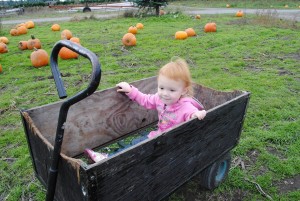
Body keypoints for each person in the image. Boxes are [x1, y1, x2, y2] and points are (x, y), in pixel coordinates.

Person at [85, 57, 207, 163]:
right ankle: (110, 159)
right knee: (136, 144)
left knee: (138, 149)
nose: (165, 93)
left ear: (184, 91)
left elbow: (191, 114)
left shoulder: (185, 106)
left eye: (171, 90)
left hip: (173, 143)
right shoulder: (160, 99)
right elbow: (145, 99)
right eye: (161, 87)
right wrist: (131, 91)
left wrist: (197, 114)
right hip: (158, 137)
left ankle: (109, 159)